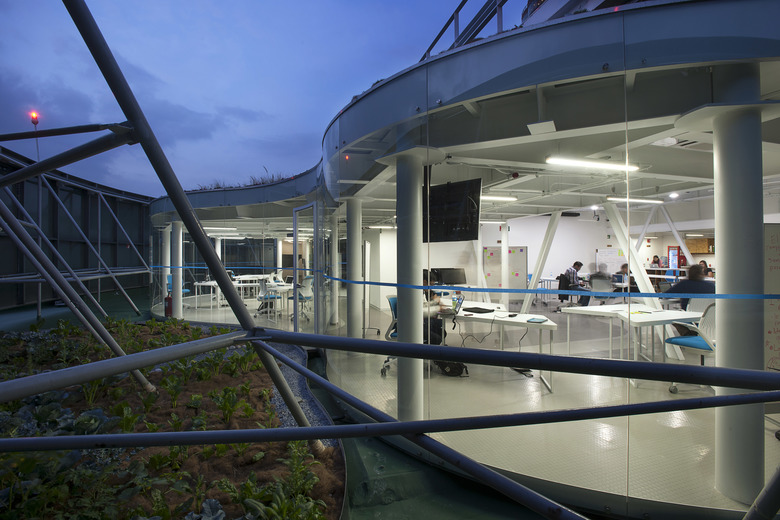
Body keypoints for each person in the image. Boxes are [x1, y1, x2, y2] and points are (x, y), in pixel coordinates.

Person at [422, 270, 444, 345]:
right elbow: (421, 312)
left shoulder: (422, 292)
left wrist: (434, 301)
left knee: (442, 332)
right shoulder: (414, 293)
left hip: (422, 322)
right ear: (424, 282)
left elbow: (423, 305)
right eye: (431, 285)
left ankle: (426, 347)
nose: (431, 288)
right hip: (415, 325)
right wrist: (438, 308)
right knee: (437, 338)